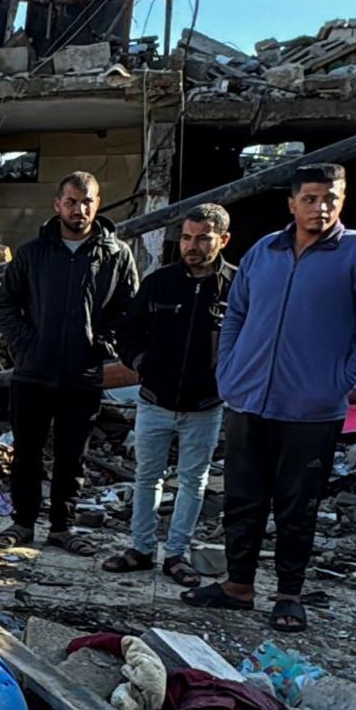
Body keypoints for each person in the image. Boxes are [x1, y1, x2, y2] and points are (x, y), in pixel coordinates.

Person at [188, 163, 356, 633]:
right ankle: (238, 585)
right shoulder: (264, 252)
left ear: (342, 201)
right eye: (310, 198)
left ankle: (288, 594)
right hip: (248, 400)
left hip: (311, 409)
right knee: (242, 499)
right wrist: (230, 371)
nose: (320, 207)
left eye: (331, 198)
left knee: (296, 505)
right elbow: (236, 313)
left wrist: (338, 379)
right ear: (292, 203)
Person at [0, 171, 140, 555]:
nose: (79, 209)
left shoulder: (115, 254)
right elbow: (6, 305)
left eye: (87, 201)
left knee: (72, 456)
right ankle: (22, 522)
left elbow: (129, 311)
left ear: (98, 203)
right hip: (33, 374)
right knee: (26, 453)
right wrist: (27, 345)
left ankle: (63, 527)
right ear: (57, 205)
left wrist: (100, 346)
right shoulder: (32, 254)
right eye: (71, 201)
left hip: (83, 376)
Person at [103, 203, 234, 583]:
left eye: (203, 238)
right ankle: (141, 549)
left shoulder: (238, 287)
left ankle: (177, 555)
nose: (192, 246)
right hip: (155, 402)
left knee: (193, 482)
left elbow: (251, 343)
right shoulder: (160, 283)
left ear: (223, 239)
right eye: (187, 238)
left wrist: (228, 382)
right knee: (147, 477)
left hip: (205, 406)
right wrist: (141, 361)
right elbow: (127, 332)